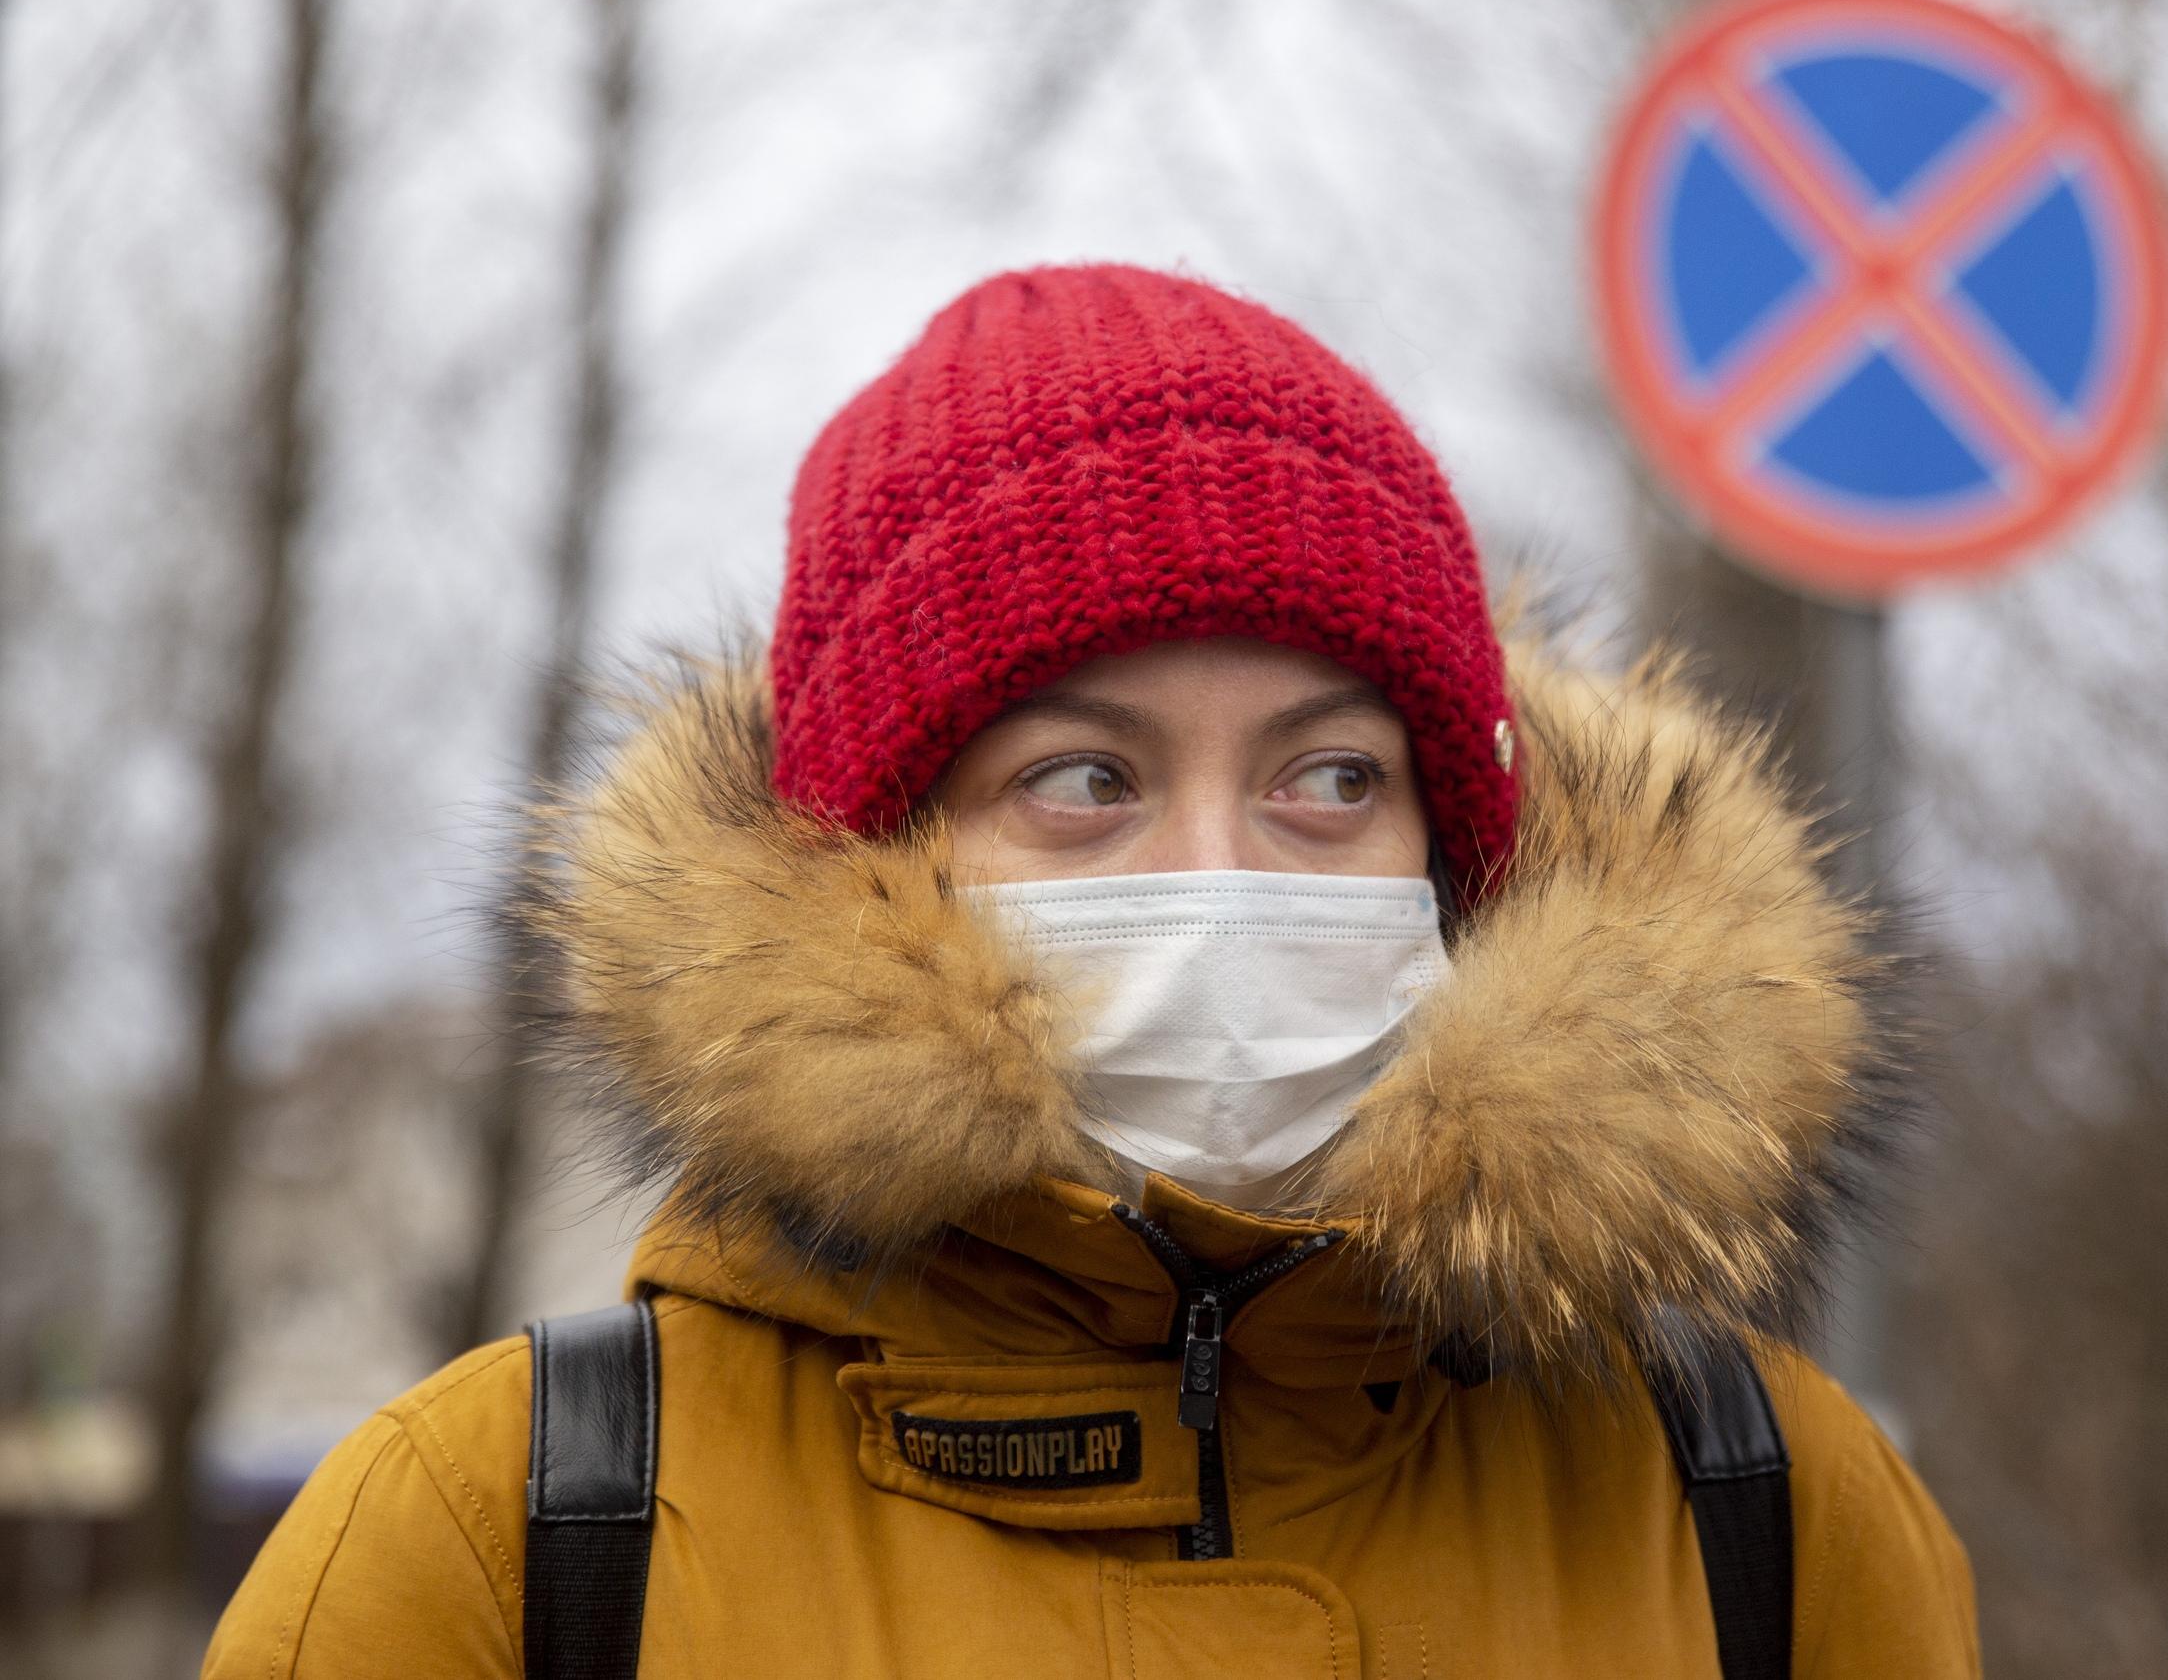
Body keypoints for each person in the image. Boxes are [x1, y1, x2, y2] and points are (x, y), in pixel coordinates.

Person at [204, 262, 1980, 1677]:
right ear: (879, 851)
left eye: (1331, 778)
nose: (1218, 870)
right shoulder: (502, 1537)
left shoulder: (1760, 1508)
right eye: (1084, 781)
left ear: (1456, 842)